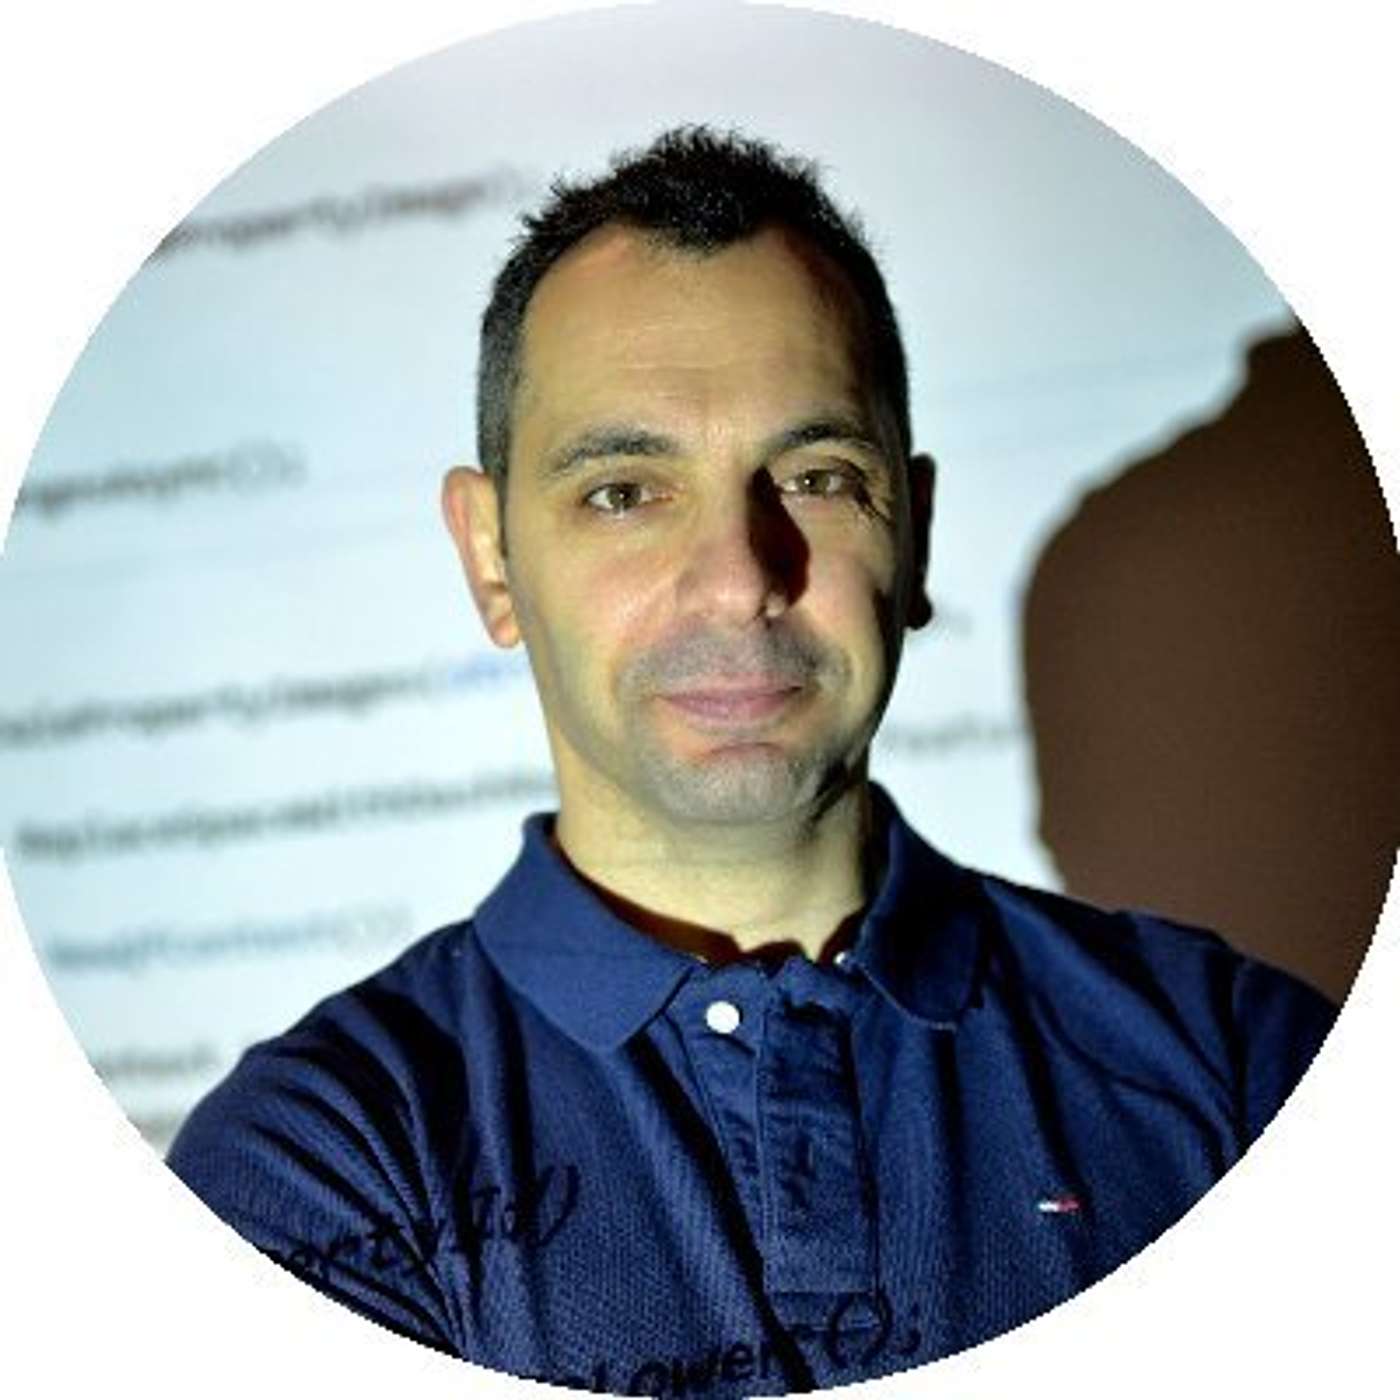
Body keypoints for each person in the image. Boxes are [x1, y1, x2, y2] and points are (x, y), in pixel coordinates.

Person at [167, 127, 1335, 1394]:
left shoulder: (1239, 1064)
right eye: (624, 490)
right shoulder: (319, 1159)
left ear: (914, 532)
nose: (736, 577)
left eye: (817, 476)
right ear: (491, 560)